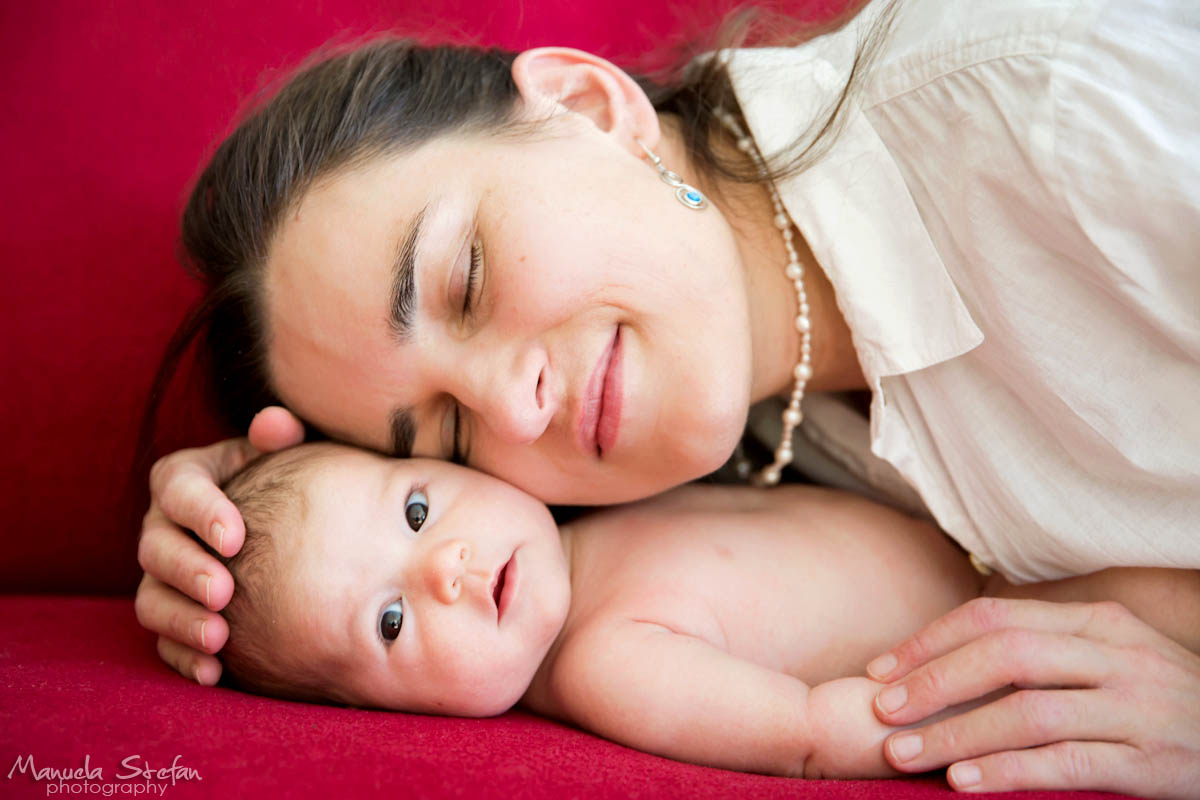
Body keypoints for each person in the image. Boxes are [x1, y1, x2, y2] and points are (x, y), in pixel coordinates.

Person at [134, 0, 1200, 793]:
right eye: (447, 441)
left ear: (591, 108)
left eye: (465, 283)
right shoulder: (754, 441)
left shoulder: (1051, 114)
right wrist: (255, 530)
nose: (516, 407)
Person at [211, 441, 1197, 780]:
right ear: (393, 714)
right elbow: (807, 733)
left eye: (419, 509)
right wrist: (972, 711)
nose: (449, 568)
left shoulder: (592, 505)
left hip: (996, 537)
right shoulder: (610, 659)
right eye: (390, 620)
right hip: (1008, 628)